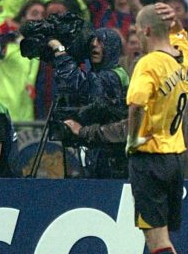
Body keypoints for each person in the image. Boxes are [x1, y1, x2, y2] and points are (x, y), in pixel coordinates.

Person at [125, 3, 188, 254]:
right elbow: (180, 35)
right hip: (175, 157)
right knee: (162, 236)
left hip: (150, 155)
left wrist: (132, 139)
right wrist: (177, 20)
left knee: (157, 239)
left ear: (148, 31)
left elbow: (136, 104)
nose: (137, 38)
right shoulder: (185, 59)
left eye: (138, 31)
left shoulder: (149, 64)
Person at [49, 28, 129, 179]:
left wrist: (59, 49)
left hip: (111, 154)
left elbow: (76, 83)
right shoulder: (105, 74)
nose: (94, 45)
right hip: (101, 145)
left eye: (101, 41)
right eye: (92, 41)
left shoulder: (111, 76)